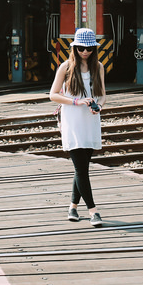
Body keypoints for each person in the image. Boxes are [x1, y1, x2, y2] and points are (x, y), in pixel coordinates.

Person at [48, 28, 106, 228]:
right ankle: (93, 211)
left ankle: (73, 207)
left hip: (90, 120)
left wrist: (99, 107)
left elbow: (102, 94)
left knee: (81, 168)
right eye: (81, 48)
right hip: (72, 120)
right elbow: (53, 94)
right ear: (74, 47)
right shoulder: (66, 67)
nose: (85, 51)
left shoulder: (98, 66)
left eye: (89, 48)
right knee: (81, 169)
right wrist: (77, 102)